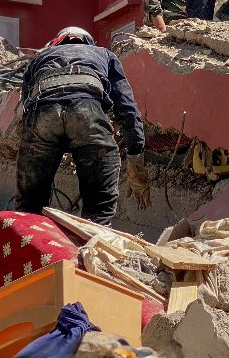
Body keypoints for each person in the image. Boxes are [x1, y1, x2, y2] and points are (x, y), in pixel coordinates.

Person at [16, 27, 146, 226]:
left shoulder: (39, 58)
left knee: (29, 207)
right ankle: (91, 250)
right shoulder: (104, 54)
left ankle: (26, 248)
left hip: (42, 113)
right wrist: (135, 157)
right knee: (99, 210)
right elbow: (127, 108)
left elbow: (26, 106)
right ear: (88, 43)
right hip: (88, 109)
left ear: (57, 42)